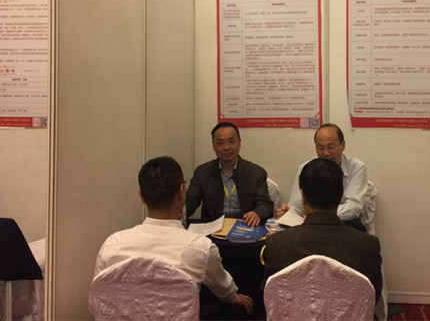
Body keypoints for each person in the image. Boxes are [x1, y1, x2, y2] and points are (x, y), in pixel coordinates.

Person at [93, 156, 253, 319]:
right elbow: (225, 290)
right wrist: (234, 297)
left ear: (141, 196)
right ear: (182, 192)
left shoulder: (111, 245)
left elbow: (98, 301)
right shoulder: (201, 248)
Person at [263, 158, 382, 298]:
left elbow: (270, 295)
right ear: (341, 193)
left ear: (302, 196)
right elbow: (372, 297)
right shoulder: (368, 246)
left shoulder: (277, 244)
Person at [277, 123, 368, 230]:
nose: (326, 153)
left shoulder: (356, 168)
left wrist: (319, 217)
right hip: (312, 225)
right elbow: (297, 205)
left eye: (331, 147)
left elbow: (353, 207)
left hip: (345, 224)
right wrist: (289, 214)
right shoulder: (306, 168)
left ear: (342, 145)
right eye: (320, 148)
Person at [186, 122, 273, 226]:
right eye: (220, 143)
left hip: (245, 226)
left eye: (231, 142)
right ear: (213, 146)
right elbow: (189, 203)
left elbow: (265, 205)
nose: (226, 147)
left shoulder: (256, 173)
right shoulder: (202, 173)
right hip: (214, 227)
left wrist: (257, 213)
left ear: (239, 143)